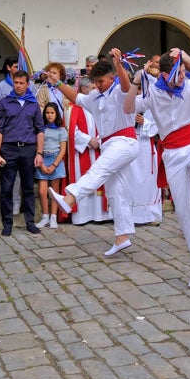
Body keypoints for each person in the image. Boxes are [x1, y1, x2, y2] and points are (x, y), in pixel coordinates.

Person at [134, 49, 190, 288]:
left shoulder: (189, 86)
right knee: (182, 208)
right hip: (172, 153)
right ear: (165, 74)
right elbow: (128, 107)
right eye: (179, 72)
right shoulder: (153, 91)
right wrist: (135, 81)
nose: (183, 76)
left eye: (184, 72)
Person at [52, 51, 140, 255]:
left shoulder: (119, 90)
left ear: (111, 78)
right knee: (114, 191)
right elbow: (76, 97)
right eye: (95, 81)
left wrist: (118, 64)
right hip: (110, 144)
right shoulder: (94, 96)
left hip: (124, 141)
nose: (98, 84)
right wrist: (57, 83)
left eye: (101, 81)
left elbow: (127, 87)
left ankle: (70, 198)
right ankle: (122, 236)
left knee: (97, 170)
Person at [0, 69, 44, 236]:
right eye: (16, 83)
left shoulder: (33, 104)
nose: (19, 86)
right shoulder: (4, 103)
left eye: (22, 83)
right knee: (6, 188)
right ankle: (7, 223)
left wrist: (39, 153)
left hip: (28, 149)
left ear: (28, 84)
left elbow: (40, 130)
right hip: (9, 149)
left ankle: (30, 221)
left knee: (28, 188)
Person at [62, 75, 111, 225]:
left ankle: (99, 215)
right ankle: (82, 216)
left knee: (98, 180)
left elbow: (108, 124)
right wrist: (89, 141)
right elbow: (71, 131)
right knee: (82, 179)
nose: (96, 90)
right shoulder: (71, 108)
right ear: (83, 90)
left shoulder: (99, 104)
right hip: (81, 153)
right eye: (93, 88)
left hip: (98, 150)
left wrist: (99, 140)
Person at [36, 102, 68, 229]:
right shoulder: (41, 129)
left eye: (52, 113)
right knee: (42, 191)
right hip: (43, 159)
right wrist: (41, 164)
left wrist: (54, 165)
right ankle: (45, 216)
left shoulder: (61, 130)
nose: (49, 115)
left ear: (56, 114)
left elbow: (63, 150)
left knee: (54, 192)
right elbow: (37, 146)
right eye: (47, 113)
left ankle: (53, 217)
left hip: (56, 160)